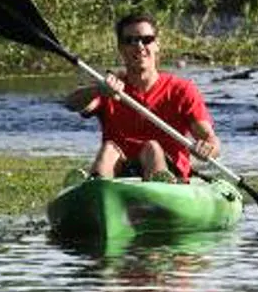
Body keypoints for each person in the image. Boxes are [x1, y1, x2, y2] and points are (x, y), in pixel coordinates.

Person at [64, 12, 220, 181]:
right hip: (121, 175)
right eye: (130, 41)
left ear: (157, 45)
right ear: (121, 48)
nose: (139, 46)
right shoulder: (109, 87)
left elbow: (211, 141)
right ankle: (96, 187)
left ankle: (160, 187)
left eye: (146, 40)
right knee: (109, 149)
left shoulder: (182, 90)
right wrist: (97, 90)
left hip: (169, 173)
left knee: (151, 148)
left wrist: (207, 149)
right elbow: (71, 103)